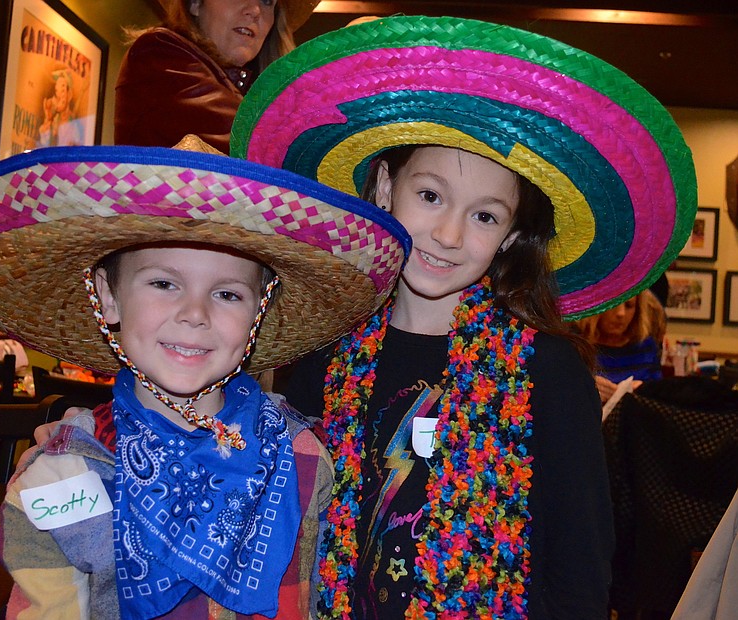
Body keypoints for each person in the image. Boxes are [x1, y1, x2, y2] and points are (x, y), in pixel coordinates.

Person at [230, 15, 697, 618]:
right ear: (381, 188)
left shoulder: (547, 369)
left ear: (510, 237)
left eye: (485, 216)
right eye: (430, 196)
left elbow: (580, 567)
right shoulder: (327, 352)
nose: (449, 234)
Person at [0, 135, 409, 618]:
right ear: (108, 295)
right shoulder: (59, 475)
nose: (194, 313)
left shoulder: (303, 455)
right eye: (164, 283)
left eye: (228, 294)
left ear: (259, 309)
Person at [115, 0, 319, 152]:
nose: (255, 11)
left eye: (267, 1)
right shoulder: (158, 53)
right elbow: (252, 146)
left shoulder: (246, 90)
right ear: (195, 3)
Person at [574, 290, 667, 403]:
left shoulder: (646, 347)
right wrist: (585, 388)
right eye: (614, 304)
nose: (621, 313)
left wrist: (644, 390)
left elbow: (660, 399)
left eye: (629, 306)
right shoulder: (577, 347)